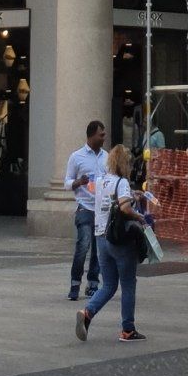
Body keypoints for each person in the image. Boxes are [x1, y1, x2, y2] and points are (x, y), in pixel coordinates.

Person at [76, 143, 152, 342]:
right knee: (128, 284)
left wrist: (130, 199)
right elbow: (124, 209)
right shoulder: (122, 182)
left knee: (108, 284)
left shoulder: (100, 181)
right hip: (120, 240)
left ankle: (88, 312)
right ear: (124, 163)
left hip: (102, 236)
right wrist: (138, 216)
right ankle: (128, 329)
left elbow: (111, 203)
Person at [64, 119, 108, 302]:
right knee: (83, 245)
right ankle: (75, 283)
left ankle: (93, 283)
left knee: (99, 249)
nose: (104, 137)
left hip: (101, 208)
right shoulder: (77, 157)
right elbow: (66, 182)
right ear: (91, 135)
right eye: (101, 134)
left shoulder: (106, 156)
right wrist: (78, 182)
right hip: (84, 207)